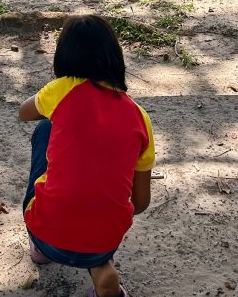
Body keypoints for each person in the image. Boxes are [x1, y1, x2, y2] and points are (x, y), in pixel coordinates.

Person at [18, 15, 154, 297]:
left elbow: (23, 113)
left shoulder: (63, 88)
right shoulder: (140, 118)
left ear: (64, 56)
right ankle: (103, 271)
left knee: (45, 128)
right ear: (114, 57)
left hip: (49, 232)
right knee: (96, 234)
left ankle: (41, 249)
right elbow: (140, 203)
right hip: (104, 239)